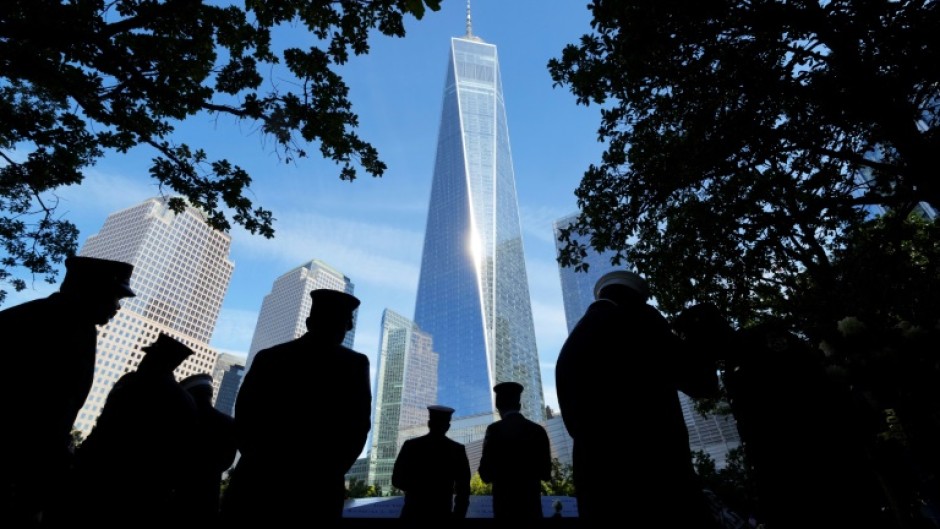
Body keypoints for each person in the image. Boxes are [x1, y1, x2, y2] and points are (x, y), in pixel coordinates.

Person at [555, 270, 720, 527]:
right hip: (656, 474)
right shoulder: (642, 319)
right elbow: (702, 384)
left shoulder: (571, 344)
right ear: (636, 298)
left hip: (595, 481)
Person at [0, 255, 135, 527]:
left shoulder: (64, 321)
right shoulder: (57, 325)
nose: (118, 308)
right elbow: (42, 408)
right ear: (93, 292)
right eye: (115, 298)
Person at [222, 289, 372, 524]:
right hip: (315, 492)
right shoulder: (354, 364)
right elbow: (357, 427)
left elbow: (245, 419)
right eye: (344, 323)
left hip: (257, 483)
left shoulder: (269, 358)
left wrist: (259, 464)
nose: (347, 329)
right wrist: (328, 474)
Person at [72, 333, 199, 527]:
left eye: (149, 355)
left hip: (100, 475)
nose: (144, 359)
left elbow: (105, 425)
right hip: (148, 490)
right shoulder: (185, 400)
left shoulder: (131, 381)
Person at [478, 381, 552, 520]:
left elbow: (485, 474)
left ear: (498, 406)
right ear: (519, 405)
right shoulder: (538, 430)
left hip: (504, 509)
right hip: (532, 509)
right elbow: (546, 474)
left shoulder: (494, 430)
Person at [392, 405, 471, 520]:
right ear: (447, 427)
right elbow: (463, 489)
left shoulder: (411, 446)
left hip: (412, 513)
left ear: (429, 424)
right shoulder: (457, 450)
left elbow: (397, 480)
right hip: (442, 514)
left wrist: (418, 489)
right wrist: (459, 516)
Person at [178, 373, 237, 526]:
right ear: (210, 393)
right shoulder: (228, 423)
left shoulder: (181, 423)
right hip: (210, 494)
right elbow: (227, 462)